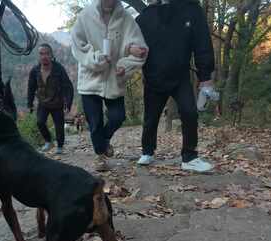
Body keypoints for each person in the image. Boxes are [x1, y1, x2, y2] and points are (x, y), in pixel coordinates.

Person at [135, 0, 216, 172]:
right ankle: (148, 151)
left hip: (180, 77)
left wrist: (205, 76)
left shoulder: (192, 10)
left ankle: (189, 157)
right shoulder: (145, 17)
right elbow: (131, 44)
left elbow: (202, 44)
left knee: (190, 112)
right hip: (153, 77)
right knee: (150, 118)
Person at [71, 0, 148, 172]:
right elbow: (77, 45)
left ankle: (103, 141)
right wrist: (96, 59)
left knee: (118, 116)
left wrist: (125, 63)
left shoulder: (126, 18)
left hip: (114, 78)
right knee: (95, 122)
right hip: (90, 80)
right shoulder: (85, 16)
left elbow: (140, 49)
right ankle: (100, 156)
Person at [28, 43, 74, 155]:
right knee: (40, 122)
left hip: (57, 102)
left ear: (51, 54)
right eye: (41, 54)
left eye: (47, 53)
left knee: (59, 125)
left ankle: (60, 146)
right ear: (39, 56)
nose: (44, 56)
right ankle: (48, 141)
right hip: (43, 102)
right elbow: (31, 87)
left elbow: (68, 87)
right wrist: (29, 103)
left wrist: (68, 103)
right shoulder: (35, 71)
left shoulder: (59, 69)